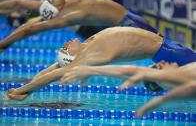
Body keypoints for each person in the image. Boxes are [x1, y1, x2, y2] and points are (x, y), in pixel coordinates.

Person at [5, 27, 196, 101]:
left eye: (62, 48)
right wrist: (24, 90)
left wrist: (29, 84)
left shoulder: (86, 44)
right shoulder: (91, 56)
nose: (64, 45)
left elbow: (55, 67)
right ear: (74, 58)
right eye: (65, 50)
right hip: (171, 53)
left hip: (168, 47)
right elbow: (56, 74)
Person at [0, 0, 158, 52]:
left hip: (129, 25)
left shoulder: (70, 16)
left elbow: (31, 29)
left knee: (159, 46)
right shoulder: (59, 0)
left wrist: (4, 44)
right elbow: (18, 3)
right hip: (119, 22)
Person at [119, 62, 196, 118]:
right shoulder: (188, 74)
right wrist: (161, 100)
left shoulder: (186, 70)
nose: (163, 62)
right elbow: (192, 87)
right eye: (159, 67)